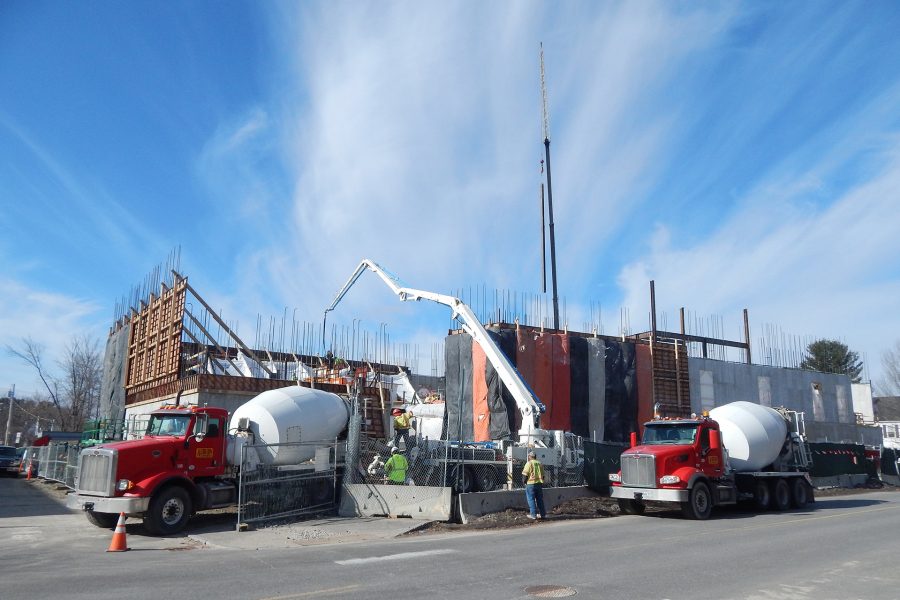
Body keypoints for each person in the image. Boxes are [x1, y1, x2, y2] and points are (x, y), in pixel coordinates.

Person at [522, 451, 546, 520]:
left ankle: (533, 515)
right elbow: (543, 475)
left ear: (529, 456)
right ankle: (543, 514)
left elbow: (525, 475)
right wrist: (541, 482)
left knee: (531, 500)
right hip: (539, 484)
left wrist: (524, 482)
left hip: (530, 484)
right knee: (540, 500)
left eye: (528, 456)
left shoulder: (529, 463)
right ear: (535, 457)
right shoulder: (539, 463)